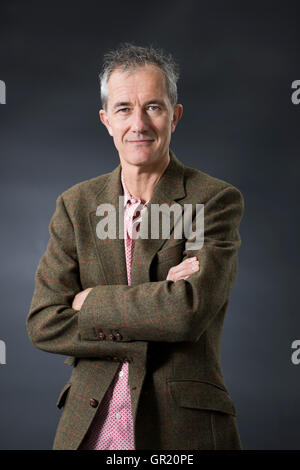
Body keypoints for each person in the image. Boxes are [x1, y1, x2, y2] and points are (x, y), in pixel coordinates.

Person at [27, 42, 244, 450]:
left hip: (182, 430)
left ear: (175, 116)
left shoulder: (213, 200)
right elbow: (44, 322)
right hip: (90, 429)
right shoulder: (76, 205)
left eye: (154, 107)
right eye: (124, 108)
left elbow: (187, 313)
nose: (138, 124)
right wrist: (157, 307)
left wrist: (87, 302)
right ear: (106, 119)